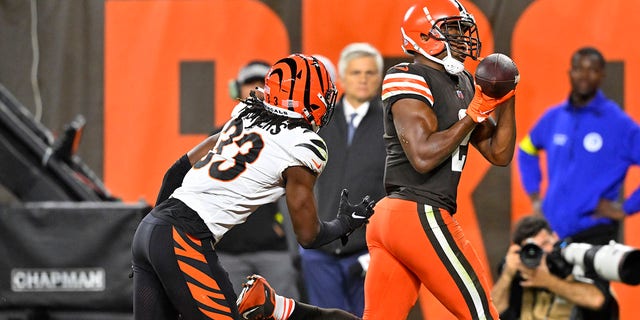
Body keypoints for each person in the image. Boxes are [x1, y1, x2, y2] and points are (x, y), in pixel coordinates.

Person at [238, 1, 516, 319]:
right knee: (483, 314)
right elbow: (423, 156)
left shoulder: (464, 83)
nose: (463, 38)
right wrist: (473, 114)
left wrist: (506, 98)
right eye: (453, 30)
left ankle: (280, 308)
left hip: (398, 217)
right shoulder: (408, 76)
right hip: (417, 210)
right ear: (425, 36)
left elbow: (499, 153)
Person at [131, 53, 375, 320]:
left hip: (151, 229)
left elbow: (175, 171)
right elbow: (308, 235)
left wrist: (154, 241)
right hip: (184, 237)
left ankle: (272, 306)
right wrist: (344, 224)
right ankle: (272, 307)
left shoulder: (244, 114)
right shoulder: (304, 146)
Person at [517, 47, 640, 245]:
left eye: (592, 70)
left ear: (602, 75)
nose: (584, 75)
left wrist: (626, 208)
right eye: (579, 69)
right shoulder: (554, 117)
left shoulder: (618, 123)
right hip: (552, 232)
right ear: (570, 72)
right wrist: (535, 197)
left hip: (594, 232)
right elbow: (526, 150)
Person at [299, 43, 386, 317]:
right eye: (356, 72)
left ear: (380, 78)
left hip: (367, 250)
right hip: (319, 249)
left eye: (370, 72)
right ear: (342, 78)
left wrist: (381, 249)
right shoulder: (317, 121)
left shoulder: (392, 122)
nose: (363, 79)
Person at [214, 60, 300, 299]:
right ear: (237, 90)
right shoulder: (218, 136)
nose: (255, 90)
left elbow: (299, 192)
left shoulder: (289, 136)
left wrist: (288, 234)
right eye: (249, 84)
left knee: (286, 313)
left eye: (262, 84)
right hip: (227, 251)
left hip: (274, 250)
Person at [492, 215, 618, 319]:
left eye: (545, 243)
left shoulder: (577, 263)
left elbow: (597, 300)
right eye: (533, 249)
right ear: (522, 253)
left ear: (555, 237)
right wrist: (507, 275)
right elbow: (489, 313)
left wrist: (547, 281)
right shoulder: (520, 276)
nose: (542, 253)